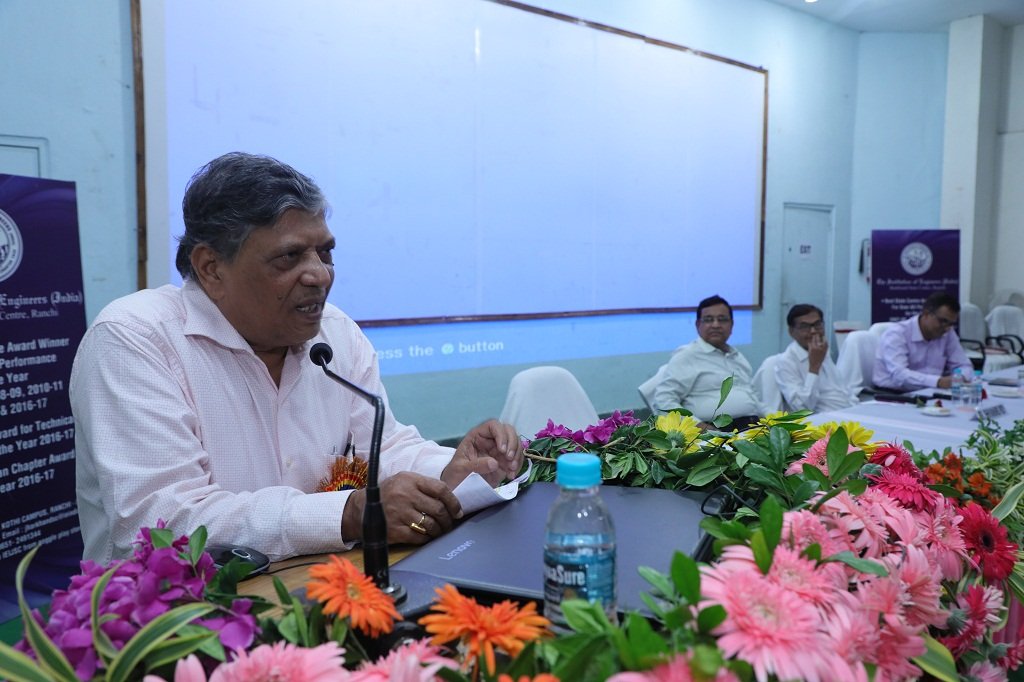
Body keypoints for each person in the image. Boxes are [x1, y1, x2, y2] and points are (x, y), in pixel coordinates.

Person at [70, 152, 523, 563]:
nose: (319, 275)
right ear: (211, 268)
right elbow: (159, 524)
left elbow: (381, 449)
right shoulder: (135, 340)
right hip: (176, 614)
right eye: (289, 257)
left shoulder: (336, 333)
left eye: (325, 253)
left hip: (311, 586)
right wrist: (347, 514)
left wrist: (449, 471)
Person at [649, 294, 762, 429]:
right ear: (698, 325)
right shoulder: (687, 356)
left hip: (752, 426)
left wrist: (774, 422)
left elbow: (754, 397)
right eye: (708, 319)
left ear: (731, 325)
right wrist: (699, 427)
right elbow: (663, 401)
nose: (716, 325)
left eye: (722, 319)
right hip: (714, 431)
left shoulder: (737, 356)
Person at [872, 291, 973, 392]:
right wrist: (938, 382)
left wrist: (960, 378)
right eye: (943, 321)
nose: (946, 328)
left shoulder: (947, 333)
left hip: (930, 392)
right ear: (926, 314)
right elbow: (900, 375)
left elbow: (964, 365)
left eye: (951, 324)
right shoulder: (897, 334)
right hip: (892, 394)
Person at [775, 304, 858, 412]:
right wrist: (814, 367)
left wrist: (857, 407)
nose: (813, 331)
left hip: (849, 411)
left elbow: (843, 391)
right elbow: (802, 408)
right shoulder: (785, 362)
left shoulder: (821, 350)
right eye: (805, 327)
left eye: (817, 325)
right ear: (791, 332)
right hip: (823, 418)